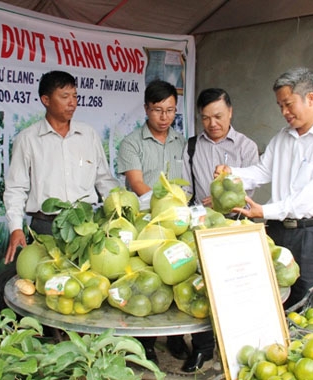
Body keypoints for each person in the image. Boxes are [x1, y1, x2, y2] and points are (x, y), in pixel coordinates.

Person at [214, 67, 313, 308]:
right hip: (278, 231)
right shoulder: (282, 137)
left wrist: (264, 212)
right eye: (280, 106)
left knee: (310, 305)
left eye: (288, 104)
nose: (284, 112)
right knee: (274, 299)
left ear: (310, 98)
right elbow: (262, 172)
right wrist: (232, 172)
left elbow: (308, 198)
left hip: (311, 234)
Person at [180, 88, 259, 372]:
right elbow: (186, 189)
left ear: (230, 113)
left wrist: (226, 191)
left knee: (236, 288)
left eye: (218, 116)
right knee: (201, 287)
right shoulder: (191, 146)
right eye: (205, 118)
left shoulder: (246, 147)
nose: (212, 123)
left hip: (237, 225)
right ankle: (202, 348)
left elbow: (249, 191)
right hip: (202, 226)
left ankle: (237, 348)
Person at [4, 70, 120, 263]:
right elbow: (16, 188)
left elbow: (104, 180)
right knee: (46, 285)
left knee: (84, 283)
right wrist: (16, 228)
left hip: (85, 226)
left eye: (75, 96)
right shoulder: (27, 139)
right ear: (46, 100)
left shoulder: (88, 135)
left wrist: (117, 215)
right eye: (65, 96)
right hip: (45, 228)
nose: (72, 102)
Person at [116, 79, 188, 365]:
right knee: (149, 282)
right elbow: (136, 183)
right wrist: (164, 208)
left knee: (177, 275)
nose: (164, 117)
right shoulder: (132, 142)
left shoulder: (181, 142)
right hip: (146, 225)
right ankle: (144, 344)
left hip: (179, 224)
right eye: (158, 110)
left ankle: (175, 338)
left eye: (170, 110)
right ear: (146, 108)